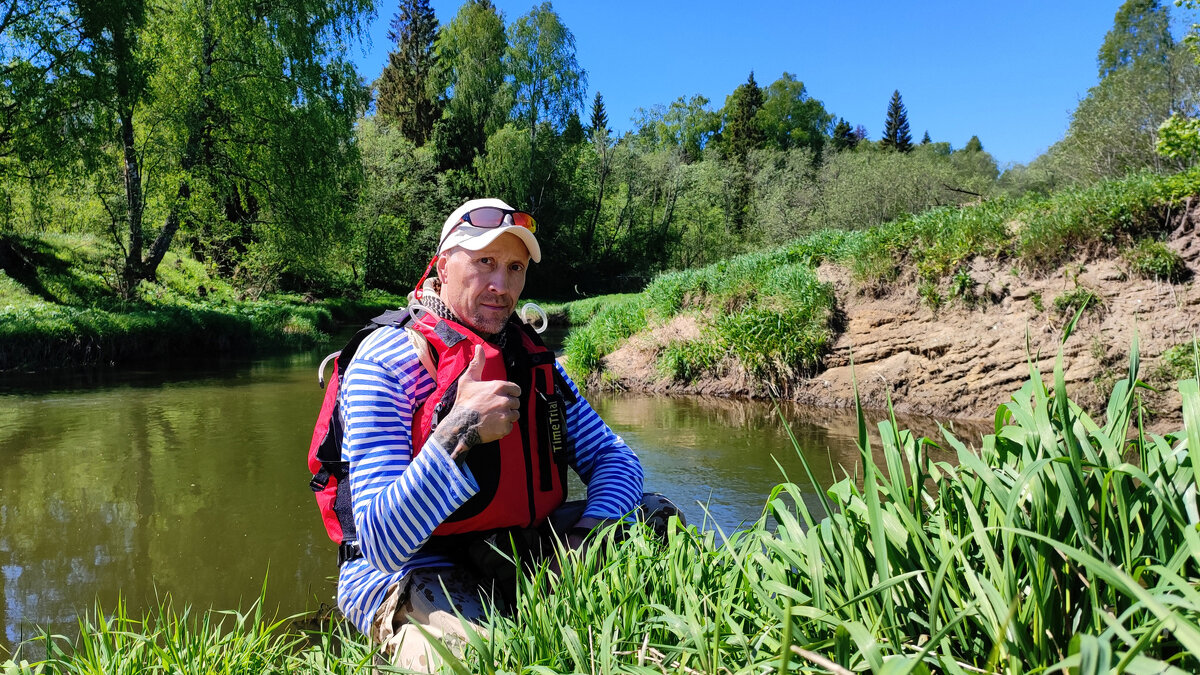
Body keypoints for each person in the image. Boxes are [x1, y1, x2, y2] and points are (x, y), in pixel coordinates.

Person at [335, 198, 679, 671]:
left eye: (515, 267)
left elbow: (615, 458)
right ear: (442, 266)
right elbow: (379, 542)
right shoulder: (386, 361)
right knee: (481, 660)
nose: (501, 285)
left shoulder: (535, 361)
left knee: (659, 517)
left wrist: (583, 536)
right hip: (413, 566)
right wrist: (460, 432)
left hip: (516, 545)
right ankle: (407, 635)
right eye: (485, 262)